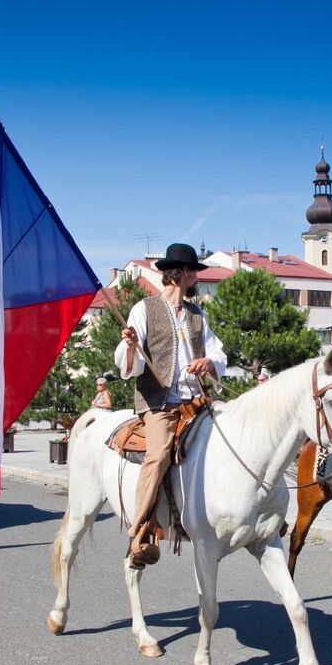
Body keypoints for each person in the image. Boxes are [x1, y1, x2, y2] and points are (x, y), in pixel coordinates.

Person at [115, 242, 226, 568]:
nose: (197, 278)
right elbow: (127, 365)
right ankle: (138, 535)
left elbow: (218, 353)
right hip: (159, 403)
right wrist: (132, 346)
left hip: (197, 399)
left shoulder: (197, 314)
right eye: (194, 272)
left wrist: (208, 362)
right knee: (160, 452)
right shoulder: (144, 309)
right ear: (182, 274)